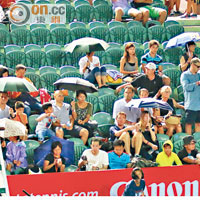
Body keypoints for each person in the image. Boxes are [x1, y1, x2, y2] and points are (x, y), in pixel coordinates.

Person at [180, 58, 200, 135]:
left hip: (199, 104)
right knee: (189, 124)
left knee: (198, 124)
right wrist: (196, 83)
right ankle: (188, 139)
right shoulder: (185, 75)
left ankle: (198, 140)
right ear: (192, 64)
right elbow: (186, 87)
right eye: (197, 66)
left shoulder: (199, 75)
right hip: (191, 105)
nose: (199, 68)